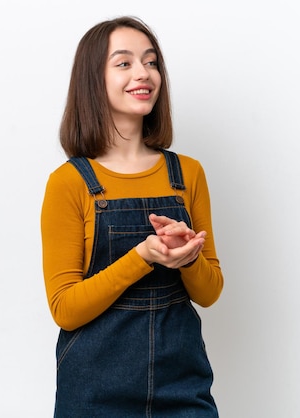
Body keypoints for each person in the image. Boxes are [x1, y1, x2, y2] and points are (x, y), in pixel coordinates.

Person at [40, 16, 224, 417]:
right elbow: (65, 308)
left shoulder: (186, 174)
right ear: (93, 79)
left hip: (182, 381)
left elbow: (210, 294)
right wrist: (142, 257)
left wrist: (188, 257)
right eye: (124, 63)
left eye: (151, 61)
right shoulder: (69, 182)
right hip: (94, 389)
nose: (144, 73)